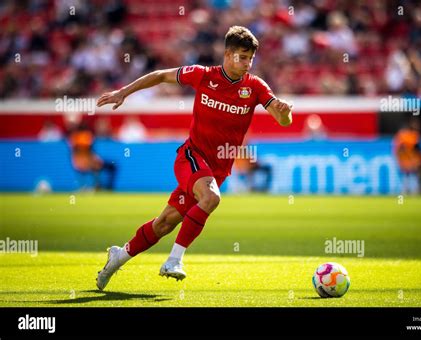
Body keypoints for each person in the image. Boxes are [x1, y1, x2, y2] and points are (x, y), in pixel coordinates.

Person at [95, 26, 293, 290]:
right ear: (228, 54)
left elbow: (283, 121)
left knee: (164, 224)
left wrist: (284, 112)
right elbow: (160, 76)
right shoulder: (202, 75)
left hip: (217, 169)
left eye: (251, 59)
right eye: (243, 57)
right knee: (211, 198)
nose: (248, 63)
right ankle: (174, 261)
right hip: (191, 156)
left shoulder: (255, 87)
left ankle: (118, 256)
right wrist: (123, 92)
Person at [67, 120, 117, 191]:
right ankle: (96, 186)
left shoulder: (74, 137)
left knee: (98, 166)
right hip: (85, 162)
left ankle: (90, 186)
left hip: (78, 162)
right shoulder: (86, 137)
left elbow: (73, 151)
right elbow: (87, 152)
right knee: (99, 166)